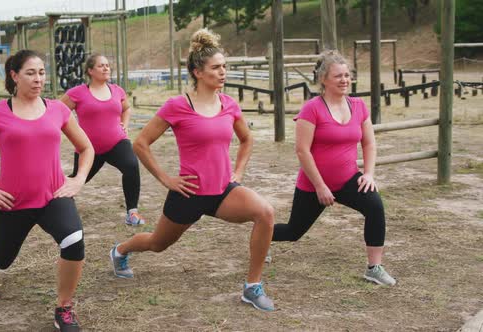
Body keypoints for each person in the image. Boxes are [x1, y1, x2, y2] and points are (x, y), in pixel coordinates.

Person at [109, 29, 276, 312]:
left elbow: (247, 139)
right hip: (188, 193)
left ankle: (252, 286)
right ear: (198, 72)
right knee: (157, 244)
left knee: (265, 213)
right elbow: (140, 144)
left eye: (224, 67)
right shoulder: (177, 105)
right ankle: (120, 251)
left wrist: (238, 172)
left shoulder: (229, 105)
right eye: (216, 67)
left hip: (223, 191)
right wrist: (166, 179)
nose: (223, 72)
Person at [0, 50, 94, 331]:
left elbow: (86, 147)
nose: (38, 78)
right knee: (2, 258)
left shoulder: (57, 109)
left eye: (42, 72)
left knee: (74, 241)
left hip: (54, 196)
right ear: (14, 76)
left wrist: (78, 179)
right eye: (30, 73)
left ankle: (64, 308)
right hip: (12, 202)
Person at [271, 50, 396, 286]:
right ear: (323, 80)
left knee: (375, 207)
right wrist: (320, 187)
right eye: (338, 75)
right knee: (293, 232)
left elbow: (369, 143)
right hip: (314, 184)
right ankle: (262, 237)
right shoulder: (312, 108)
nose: (345, 80)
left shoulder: (358, 106)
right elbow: (302, 151)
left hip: (348, 179)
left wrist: (368, 174)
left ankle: (374, 268)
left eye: (347, 75)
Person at [60, 54, 145, 226]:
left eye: (107, 65)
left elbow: (126, 108)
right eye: (101, 66)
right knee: (77, 179)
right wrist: (72, 131)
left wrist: (125, 125)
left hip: (116, 143)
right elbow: (58, 112)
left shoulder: (117, 90)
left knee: (131, 166)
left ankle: (132, 212)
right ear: (90, 71)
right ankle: (52, 203)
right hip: (88, 149)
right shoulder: (77, 93)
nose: (106, 68)